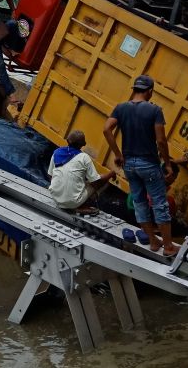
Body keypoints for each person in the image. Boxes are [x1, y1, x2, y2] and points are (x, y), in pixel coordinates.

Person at [103, 74, 177, 255]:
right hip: (149, 164)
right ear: (150, 91)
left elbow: (106, 129)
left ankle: (153, 241)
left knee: (139, 202)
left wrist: (118, 154)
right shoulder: (154, 110)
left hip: (129, 164)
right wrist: (167, 163)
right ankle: (167, 246)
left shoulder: (121, 108)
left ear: (134, 89)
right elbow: (161, 140)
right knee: (159, 204)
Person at [47, 130, 115, 214]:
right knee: (102, 181)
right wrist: (111, 174)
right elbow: (96, 181)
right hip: (73, 202)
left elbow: (50, 176)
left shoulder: (56, 152)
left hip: (56, 198)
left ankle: (70, 201)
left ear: (67, 140)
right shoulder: (84, 157)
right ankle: (81, 206)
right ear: (83, 144)